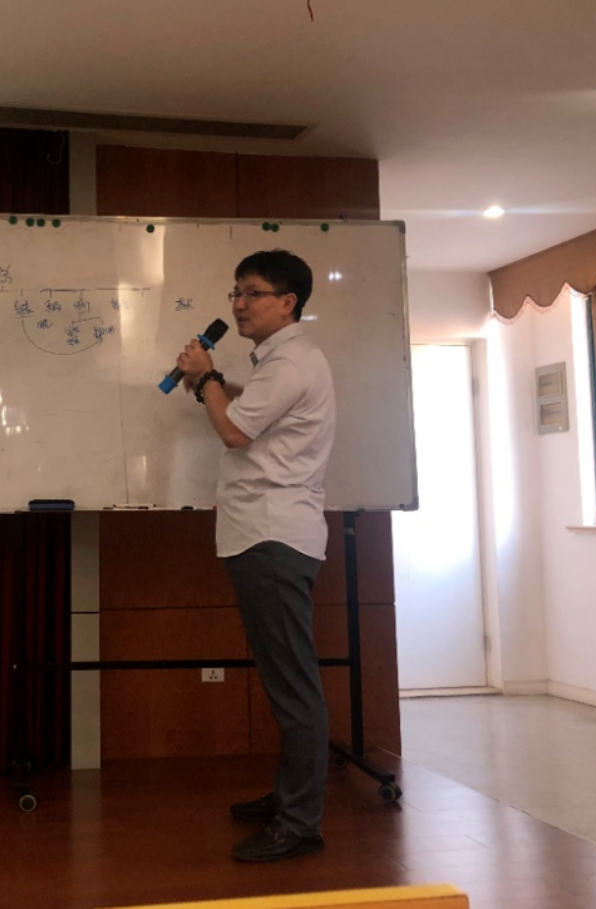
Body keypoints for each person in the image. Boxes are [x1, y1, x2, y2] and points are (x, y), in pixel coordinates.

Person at [175, 249, 336, 863]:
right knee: (283, 679)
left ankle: (300, 823)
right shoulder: (280, 361)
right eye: (236, 293)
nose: (239, 305)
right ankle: (289, 798)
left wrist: (207, 379)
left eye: (253, 293)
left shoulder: (290, 360)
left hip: (273, 538)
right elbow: (249, 413)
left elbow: (235, 430)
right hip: (264, 535)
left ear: (288, 302)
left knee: (293, 686)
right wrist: (212, 385)